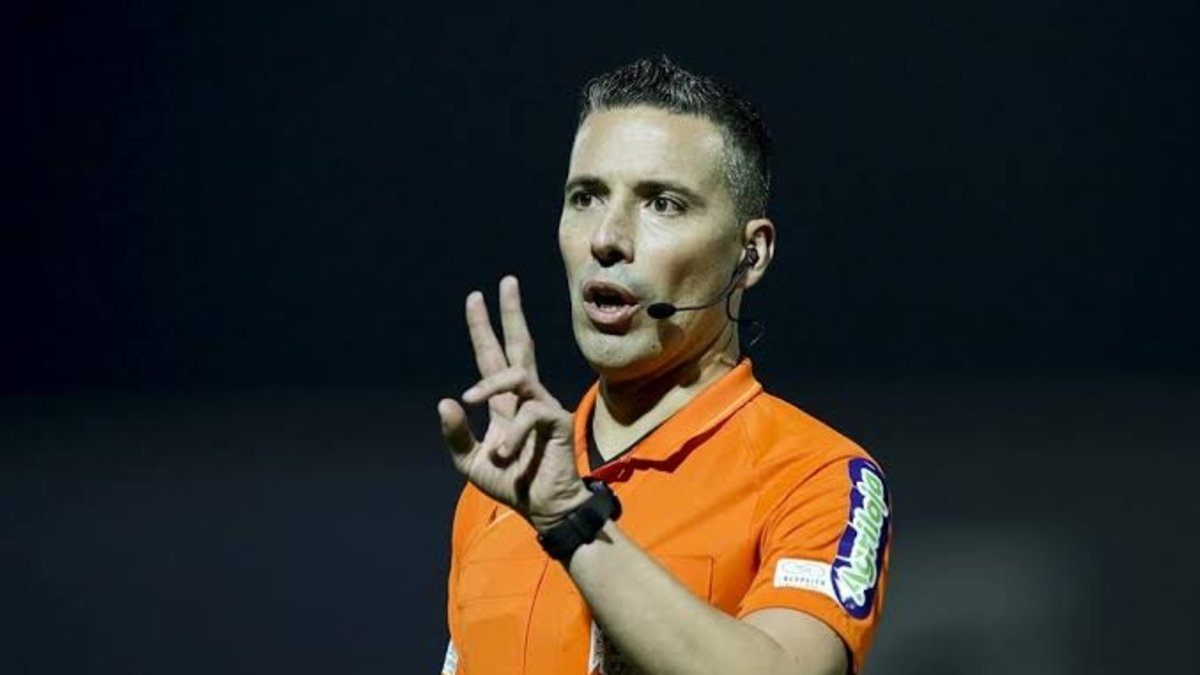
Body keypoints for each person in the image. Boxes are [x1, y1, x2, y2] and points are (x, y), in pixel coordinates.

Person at [436, 56, 891, 675]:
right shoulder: (502, 489)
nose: (607, 237)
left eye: (663, 204)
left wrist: (570, 520)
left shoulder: (816, 475)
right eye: (586, 196)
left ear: (751, 254)